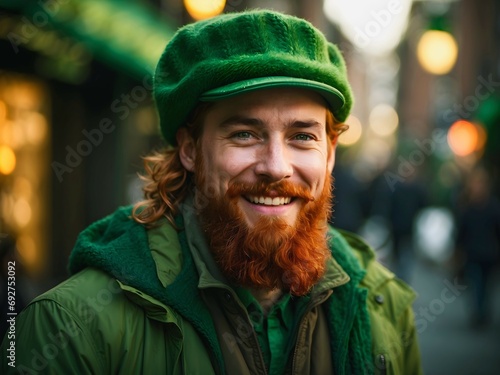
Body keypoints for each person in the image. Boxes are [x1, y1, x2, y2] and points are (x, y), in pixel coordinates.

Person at [1, 10, 422, 374]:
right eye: (243, 134)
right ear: (189, 149)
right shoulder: (71, 328)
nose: (275, 166)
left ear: (330, 153)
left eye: (302, 137)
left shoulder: (384, 309)